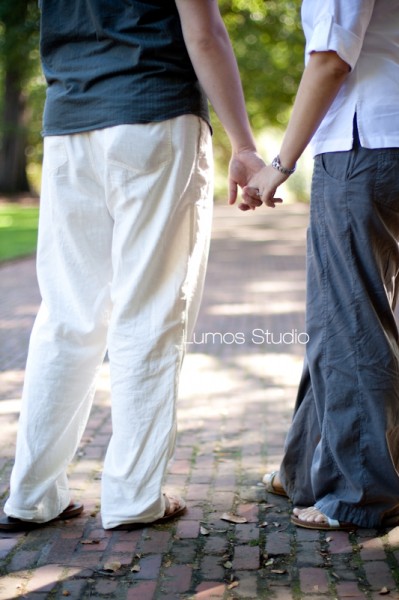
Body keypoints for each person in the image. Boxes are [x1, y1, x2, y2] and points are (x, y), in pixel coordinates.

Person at [0, 0, 264, 532]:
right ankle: (132, 497)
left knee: (68, 317)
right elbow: (205, 33)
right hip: (155, 114)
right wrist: (244, 144)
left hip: (69, 125)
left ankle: (30, 496)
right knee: (150, 310)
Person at [240, 0, 399, 530]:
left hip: (361, 145)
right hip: (384, 142)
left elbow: (330, 60)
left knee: (350, 324)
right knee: (341, 318)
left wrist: (279, 164)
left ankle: (359, 494)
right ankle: (306, 468)